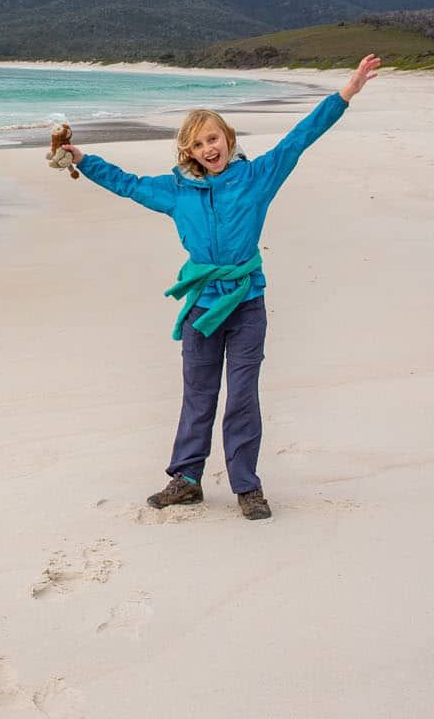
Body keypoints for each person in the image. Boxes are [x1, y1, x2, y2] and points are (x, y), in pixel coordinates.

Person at [59, 55, 381, 520]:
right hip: (202, 307)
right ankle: (186, 479)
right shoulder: (175, 191)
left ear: (228, 140)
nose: (208, 148)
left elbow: (300, 139)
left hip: (247, 302)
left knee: (243, 395)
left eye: (213, 138)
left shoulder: (257, 177)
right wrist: (83, 159)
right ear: (187, 152)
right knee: (198, 393)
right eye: (197, 144)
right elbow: (126, 183)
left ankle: (246, 485)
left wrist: (345, 94)